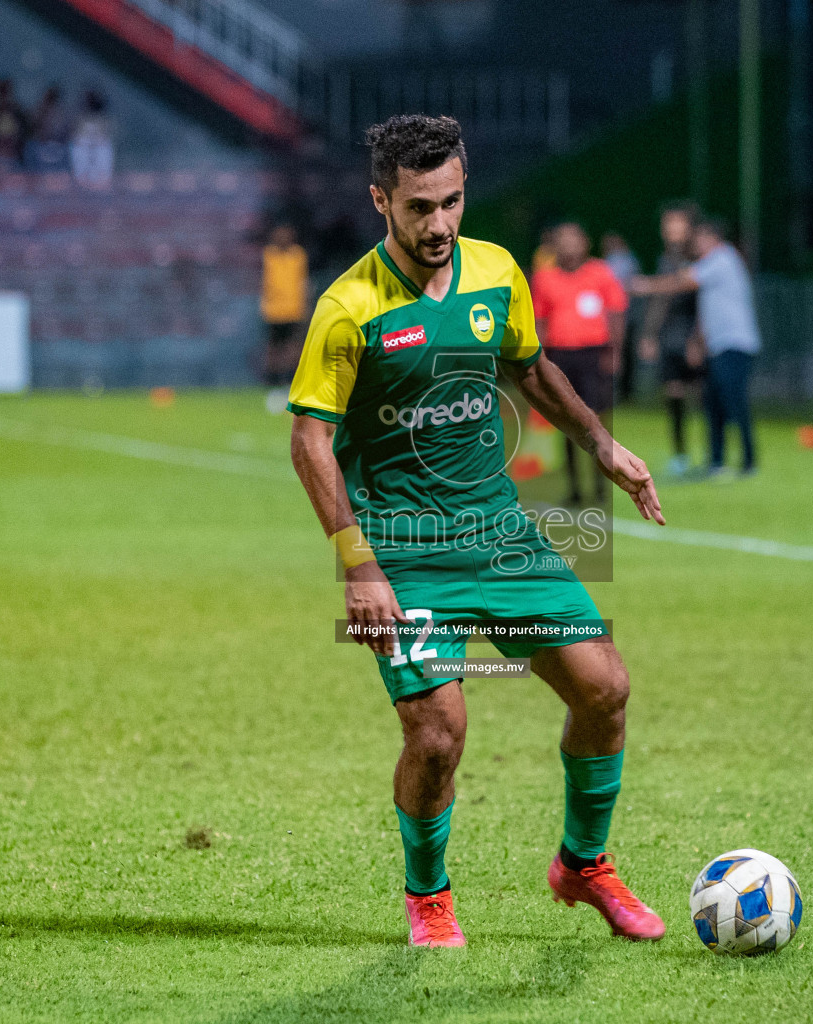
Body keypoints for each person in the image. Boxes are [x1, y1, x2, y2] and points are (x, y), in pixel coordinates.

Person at [287, 114, 666, 948]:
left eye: (452, 202)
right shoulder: (347, 308)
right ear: (380, 199)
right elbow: (310, 437)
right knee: (439, 733)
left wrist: (602, 445)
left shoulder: (495, 272)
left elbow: (530, 369)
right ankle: (430, 896)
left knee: (605, 689)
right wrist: (357, 566)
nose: (440, 225)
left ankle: (584, 864)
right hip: (404, 552)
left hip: (502, 534)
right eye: (420, 207)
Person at [633, 217, 761, 477]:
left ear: (715, 239)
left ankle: (749, 462)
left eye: (702, 239)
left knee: (735, 403)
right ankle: (716, 462)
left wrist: (647, 285)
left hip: (735, 343)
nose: (698, 244)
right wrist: (697, 342)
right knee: (713, 403)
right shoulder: (713, 264)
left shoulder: (723, 258)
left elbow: (683, 281)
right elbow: (706, 312)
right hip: (717, 346)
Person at [531, 222, 629, 504]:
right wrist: (541, 361)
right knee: (568, 421)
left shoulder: (600, 272)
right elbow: (540, 320)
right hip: (560, 356)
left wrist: (615, 351)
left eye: (573, 240)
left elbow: (616, 312)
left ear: (585, 243)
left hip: (594, 353)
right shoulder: (545, 278)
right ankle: (574, 486)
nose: (568, 246)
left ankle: (602, 484)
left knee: (599, 419)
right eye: (562, 240)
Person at [637, 203, 701, 477]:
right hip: (669, 335)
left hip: (692, 334)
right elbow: (660, 303)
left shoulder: (699, 257)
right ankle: (681, 455)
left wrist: (697, 337)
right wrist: (649, 335)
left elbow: (702, 299)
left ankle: (713, 458)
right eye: (667, 224)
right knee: (673, 393)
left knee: (703, 395)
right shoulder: (666, 259)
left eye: (677, 223)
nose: (671, 229)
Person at [260, 224, 310, 411]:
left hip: (294, 310)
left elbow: (303, 282)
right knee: (274, 349)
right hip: (273, 311)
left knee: (293, 349)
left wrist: (305, 306)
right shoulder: (269, 254)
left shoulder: (298, 255)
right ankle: (272, 384)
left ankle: (289, 383)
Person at [601, 231, 644, 402]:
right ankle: (620, 392)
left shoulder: (616, 262)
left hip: (621, 314)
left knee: (618, 353)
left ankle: (619, 392)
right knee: (621, 354)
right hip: (624, 314)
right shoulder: (628, 260)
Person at [70, 90, 114, 189]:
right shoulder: (80, 120)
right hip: (82, 147)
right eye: (89, 101)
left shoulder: (103, 121)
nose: (90, 105)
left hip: (100, 149)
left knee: (103, 147)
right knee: (79, 145)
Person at [27, 84, 72, 171]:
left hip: (58, 144)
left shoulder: (62, 112)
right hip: (40, 143)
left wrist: (56, 138)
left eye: (53, 96)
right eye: (49, 96)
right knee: (31, 147)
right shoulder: (39, 109)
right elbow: (33, 127)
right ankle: (33, 175)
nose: (50, 98)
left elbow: (65, 130)